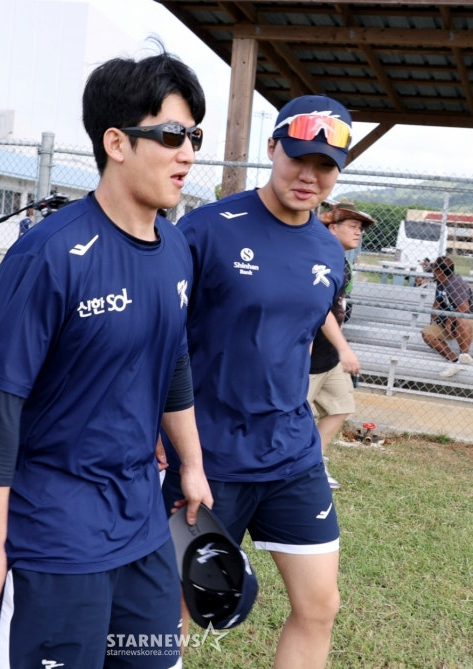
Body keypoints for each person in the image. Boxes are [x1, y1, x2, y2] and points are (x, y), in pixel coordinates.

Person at [0, 47, 212, 669]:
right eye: (172, 135)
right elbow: (0, 400)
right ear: (116, 142)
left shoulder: (176, 249)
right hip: (55, 538)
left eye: (193, 136)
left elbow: (173, 359)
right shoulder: (48, 255)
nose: (188, 154)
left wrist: (194, 464)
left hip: (144, 530)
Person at [161, 94, 356, 669]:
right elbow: (160, 336)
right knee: (171, 610)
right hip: (206, 456)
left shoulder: (328, 249)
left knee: (320, 606)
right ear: (272, 148)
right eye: (298, 157)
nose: (308, 175)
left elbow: (297, 336)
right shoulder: (206, 231)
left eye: (325, 165)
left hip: (291, 456)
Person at [309, 201, 377, 489]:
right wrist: (345, 348)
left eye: (360, 228)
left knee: (341, 406)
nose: (358, 232)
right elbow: (319, 309)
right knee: (293, 418)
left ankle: (313, 463)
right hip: (307, 355)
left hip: (329, 356)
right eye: (352, 226)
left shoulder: (341, 261)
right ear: (332, 227)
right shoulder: (320, 258)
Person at [421, 256, 473, 378]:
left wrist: (450, 319)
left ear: (439, 271)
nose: (433, 272)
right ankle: (455, 362)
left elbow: (464, 308)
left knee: (461, 319)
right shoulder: (440, 283)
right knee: (427, 334)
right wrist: (434, 323)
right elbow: (437, 305)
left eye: (434, 269)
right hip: (453, 324)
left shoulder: (455, 283)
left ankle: (464, 356)